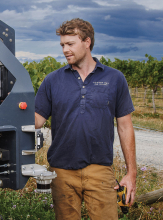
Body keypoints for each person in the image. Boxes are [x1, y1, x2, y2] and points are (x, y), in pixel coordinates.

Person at [35, 18, 136, 220]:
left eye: (70, 44)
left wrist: (131, 173)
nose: (65, 50)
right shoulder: (52, 80)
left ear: (87, 42)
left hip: (100, 170)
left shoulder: (114, 78)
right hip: (61, 172)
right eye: (62, 45)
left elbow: (125, 127)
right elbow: (36, 120)